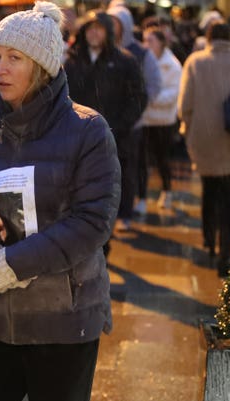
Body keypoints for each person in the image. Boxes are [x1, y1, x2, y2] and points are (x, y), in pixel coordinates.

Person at [0, 2, 121, 401]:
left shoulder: (88, 130)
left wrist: (14, 263)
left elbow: (92, 221)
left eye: (14, 59)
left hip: (62, 323)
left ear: (42, 66)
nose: (0, 69)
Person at [178, 21, 230, 277]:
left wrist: (191, 129)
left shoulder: (195, 62)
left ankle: (208, 241)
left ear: (208, 38)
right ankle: (225, 255)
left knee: (209, 191)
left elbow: (184, 106)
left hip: (204, 139)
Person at [64, 9, 145, 236]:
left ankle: (122, 215)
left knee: (118, 177)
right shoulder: (73, 60)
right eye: (90, 29)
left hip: (118, 132)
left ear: (108, 33)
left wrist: (122, 124)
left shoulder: (125, 61)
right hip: (79, 134)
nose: (94, 34)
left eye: (99, 29)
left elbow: (138, 97)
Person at [107, 3, 160, 228]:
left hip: (132, 125)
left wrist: (137, 112)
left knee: (128, 168)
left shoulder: (140, 53)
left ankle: (125, 213)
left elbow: (154, 85)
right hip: (105, 122)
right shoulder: (101, 51)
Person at [137, 27, 182, 210]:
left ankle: (167, 191)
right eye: (145, 40)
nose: (146, 44)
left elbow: (173, 93)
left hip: (163, 120)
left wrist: (150, 98)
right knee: (141, 160)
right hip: (145, 119)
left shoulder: (172, 64)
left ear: (161, 43)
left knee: (163, 159)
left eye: (151, 40)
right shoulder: (141, 60)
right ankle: (141, 197)